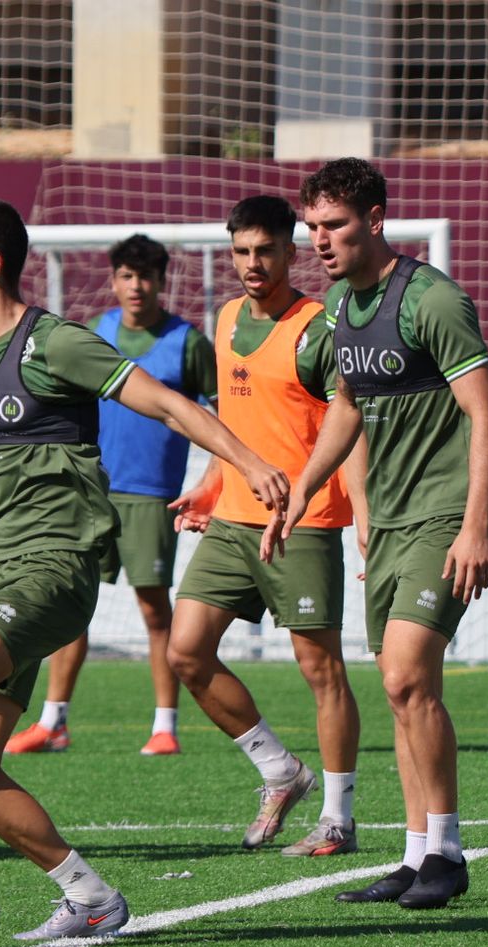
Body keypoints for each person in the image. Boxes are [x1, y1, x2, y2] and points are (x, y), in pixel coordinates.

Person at [0, 199, 290, 939]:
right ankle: (86, 892)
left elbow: (165, 403)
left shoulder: (56, 344)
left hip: (57, 564)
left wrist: (249, 462)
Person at [270, 158, 488, 909]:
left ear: (375, 219)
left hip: (445, 514)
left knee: (407, 673)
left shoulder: (432, 299)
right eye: (312, 227)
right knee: (402, 688)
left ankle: (449, 849)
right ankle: (416, 856)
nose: (319, 241)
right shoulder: (342, 307)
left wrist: (476, 527)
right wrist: (305, 487)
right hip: (394, 520)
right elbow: (347, 404)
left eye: (334, 225)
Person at [164, 195, 367, 858]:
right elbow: (235, 424)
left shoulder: (317, 328)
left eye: (267, 250)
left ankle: (337, 818)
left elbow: (351, 423)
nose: (254, 263)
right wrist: (211, 480)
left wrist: (364, 516)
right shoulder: (224, 319)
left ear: (291, 251)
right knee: (185, 651)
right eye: (243, 251)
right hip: (231, 518)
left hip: (302, 523)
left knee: (320, 668)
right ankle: (280, 771)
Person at [5, 234, 215, 757]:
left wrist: (215, 478)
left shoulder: (188, 342)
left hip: (152, 498)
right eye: (126, 275)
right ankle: (53, 722)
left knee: (154, 611)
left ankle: (165, 726)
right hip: (90, 491)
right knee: (68, 607)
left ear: (163, 282)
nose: (135, 286)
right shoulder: (94, 333)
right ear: (113, 280)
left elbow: (221, 414)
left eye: (146, 276)